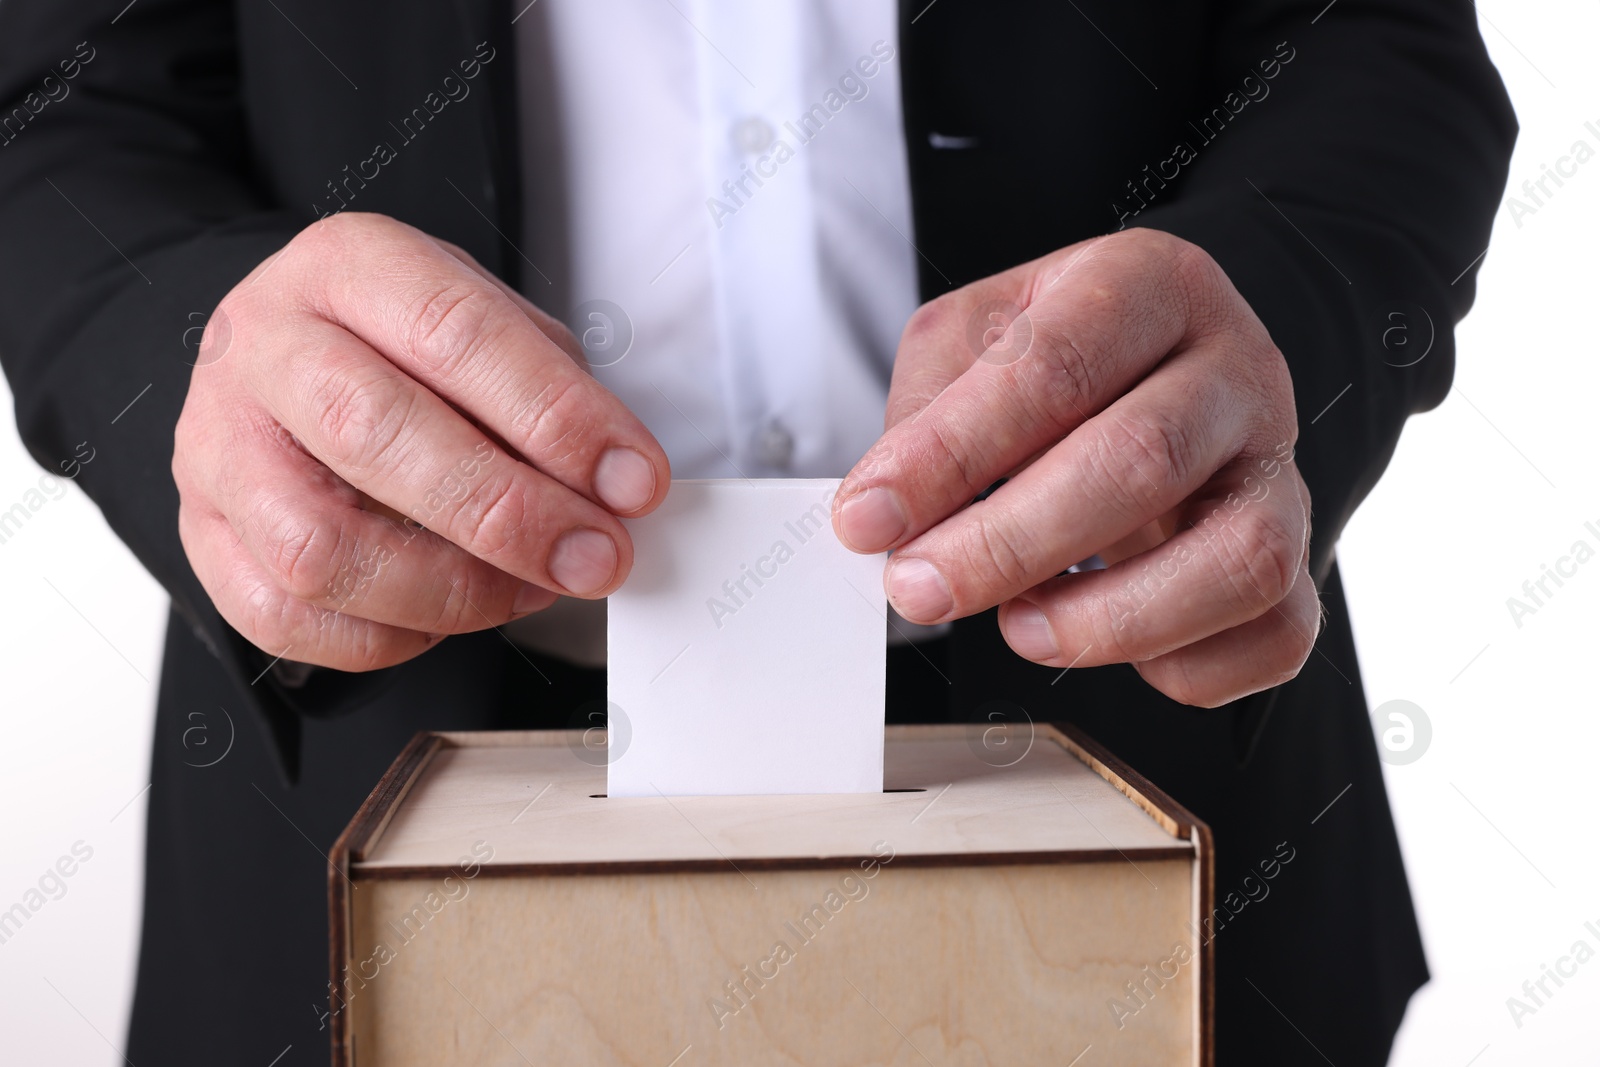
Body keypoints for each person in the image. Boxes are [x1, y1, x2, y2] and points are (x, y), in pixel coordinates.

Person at [0, 1, 1513, 1063]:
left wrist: (1266, 338)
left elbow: (1375, 40)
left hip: (1138, 777)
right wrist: (189, 354)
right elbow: (56, 101)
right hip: (374, 813)